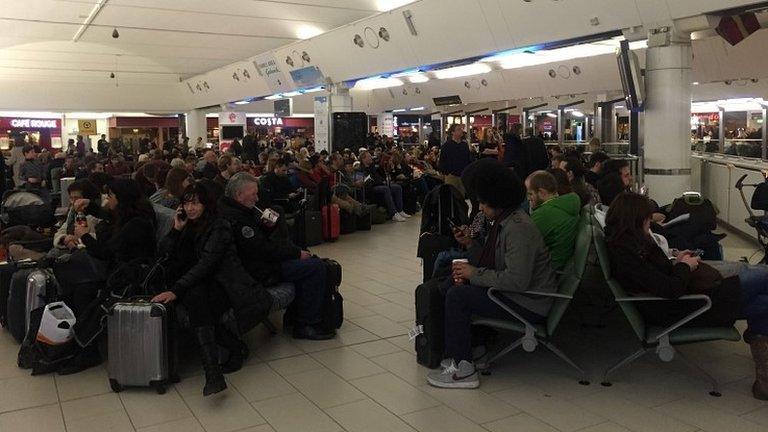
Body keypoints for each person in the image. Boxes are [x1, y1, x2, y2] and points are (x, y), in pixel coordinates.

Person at [605, 192, 768, 400]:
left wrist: (677, 260)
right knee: (764, 279)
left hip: (686, 300)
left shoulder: (628, 243)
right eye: (647, 220)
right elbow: (669, 289)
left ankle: (764, 381)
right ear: (635, 220)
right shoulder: (627, 252)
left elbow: (659, 277)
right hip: (684, 307)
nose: (650, 224)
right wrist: (684, 265)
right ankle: (762, 364)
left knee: (764, 300)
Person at [426, 162, 557, 389]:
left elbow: (516, 280)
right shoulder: (506, 221)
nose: (481, 208)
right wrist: (470, 243)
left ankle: (463, 369)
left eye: (484, 203)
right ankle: (466, 349)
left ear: (497, 200)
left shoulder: (517, 228)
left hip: (529, 301)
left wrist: (474, 273)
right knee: (454, 285)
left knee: (459, 296)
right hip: (523, 295)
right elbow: (497, 262)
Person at [152, 183, 272, 396]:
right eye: (186, 203)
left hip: (225, 284)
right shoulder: (187, 225)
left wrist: (177, 290)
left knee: (197, 300)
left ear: (206, 204)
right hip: (197, 284)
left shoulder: (220, 226)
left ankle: (218, 367)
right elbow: (164, 254)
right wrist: (175, 230)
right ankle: (217, 368)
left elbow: (207, 264)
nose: (190, 208)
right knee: (197, 299)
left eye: (195, 203)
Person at [218, 173, 335, 340]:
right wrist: (295, 253)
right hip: (255, 270)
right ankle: (306, 323)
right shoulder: (237, 220)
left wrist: (267, 228)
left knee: (306, 262)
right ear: (239, 195)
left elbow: (256, 244)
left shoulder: (235, 210)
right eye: (253, 194)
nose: (257, 198)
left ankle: (296, 316)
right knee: (314, 267)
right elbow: (262, 249)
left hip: (254, 263)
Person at [525, 171, 580, 270]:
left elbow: (522, 245)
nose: (528, 198)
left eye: (530, 194)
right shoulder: (566, 204)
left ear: (541, 192)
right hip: (559, 267)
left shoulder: (545, 214)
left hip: (545, 272)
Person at [360, 151, 408, 222]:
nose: (371, 158)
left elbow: (377, 177)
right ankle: (393, 213)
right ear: (364, 159)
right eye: (369, 157)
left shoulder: (372, 167)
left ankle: (400, 210)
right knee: (385, 189)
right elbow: (370, 181)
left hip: (378, 184)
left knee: (397, 187)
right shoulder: (361, 169)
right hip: (371, 188)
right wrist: (382, 182)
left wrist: (383, 181)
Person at [438, 124, 472, 197]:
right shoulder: (446, 146)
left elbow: (468, 159)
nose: (461, 131)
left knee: (461, 196)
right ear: (453, 132)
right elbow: (442, 160)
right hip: (451, 175)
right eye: (459, 129)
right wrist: (446, 172)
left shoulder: (464, 145)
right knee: (451, 196)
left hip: (462, 175)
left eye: (461, 129)